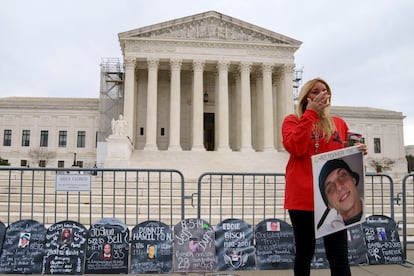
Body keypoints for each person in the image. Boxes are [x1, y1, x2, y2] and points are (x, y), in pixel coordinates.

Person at [282, 77, 367, 275]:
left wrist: (357, 151)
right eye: (315, 91)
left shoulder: (339, 123)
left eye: (324, 91)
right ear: (305, 97)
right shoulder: (292, 121)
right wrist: (310, 114)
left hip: (334, 199)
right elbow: (295, 147)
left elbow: (343, 157)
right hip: (303, 198)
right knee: (304, 252)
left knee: (338, 254)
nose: (321, 94)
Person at [317, 158, 364, 232]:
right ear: (329, 204)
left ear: (354, 180)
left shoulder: (375, 217)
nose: (339, 187)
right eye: (330, 188)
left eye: (342, 175)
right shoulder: (325, 233)